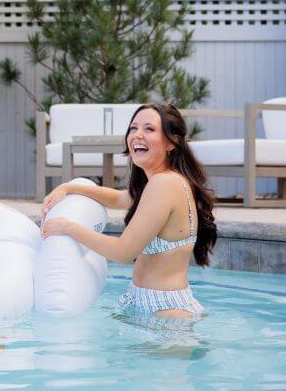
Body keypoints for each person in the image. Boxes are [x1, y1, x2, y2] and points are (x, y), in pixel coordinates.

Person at [41, 103, 217, 319]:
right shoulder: (164, 182)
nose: (137, 135)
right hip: (149, 303)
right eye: (133, 128)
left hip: (166, 313)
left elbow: (123, 252)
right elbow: (119, 198)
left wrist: (68, 227)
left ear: (172, 142)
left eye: (149, 129)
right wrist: (68, 187)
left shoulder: (164, 184)